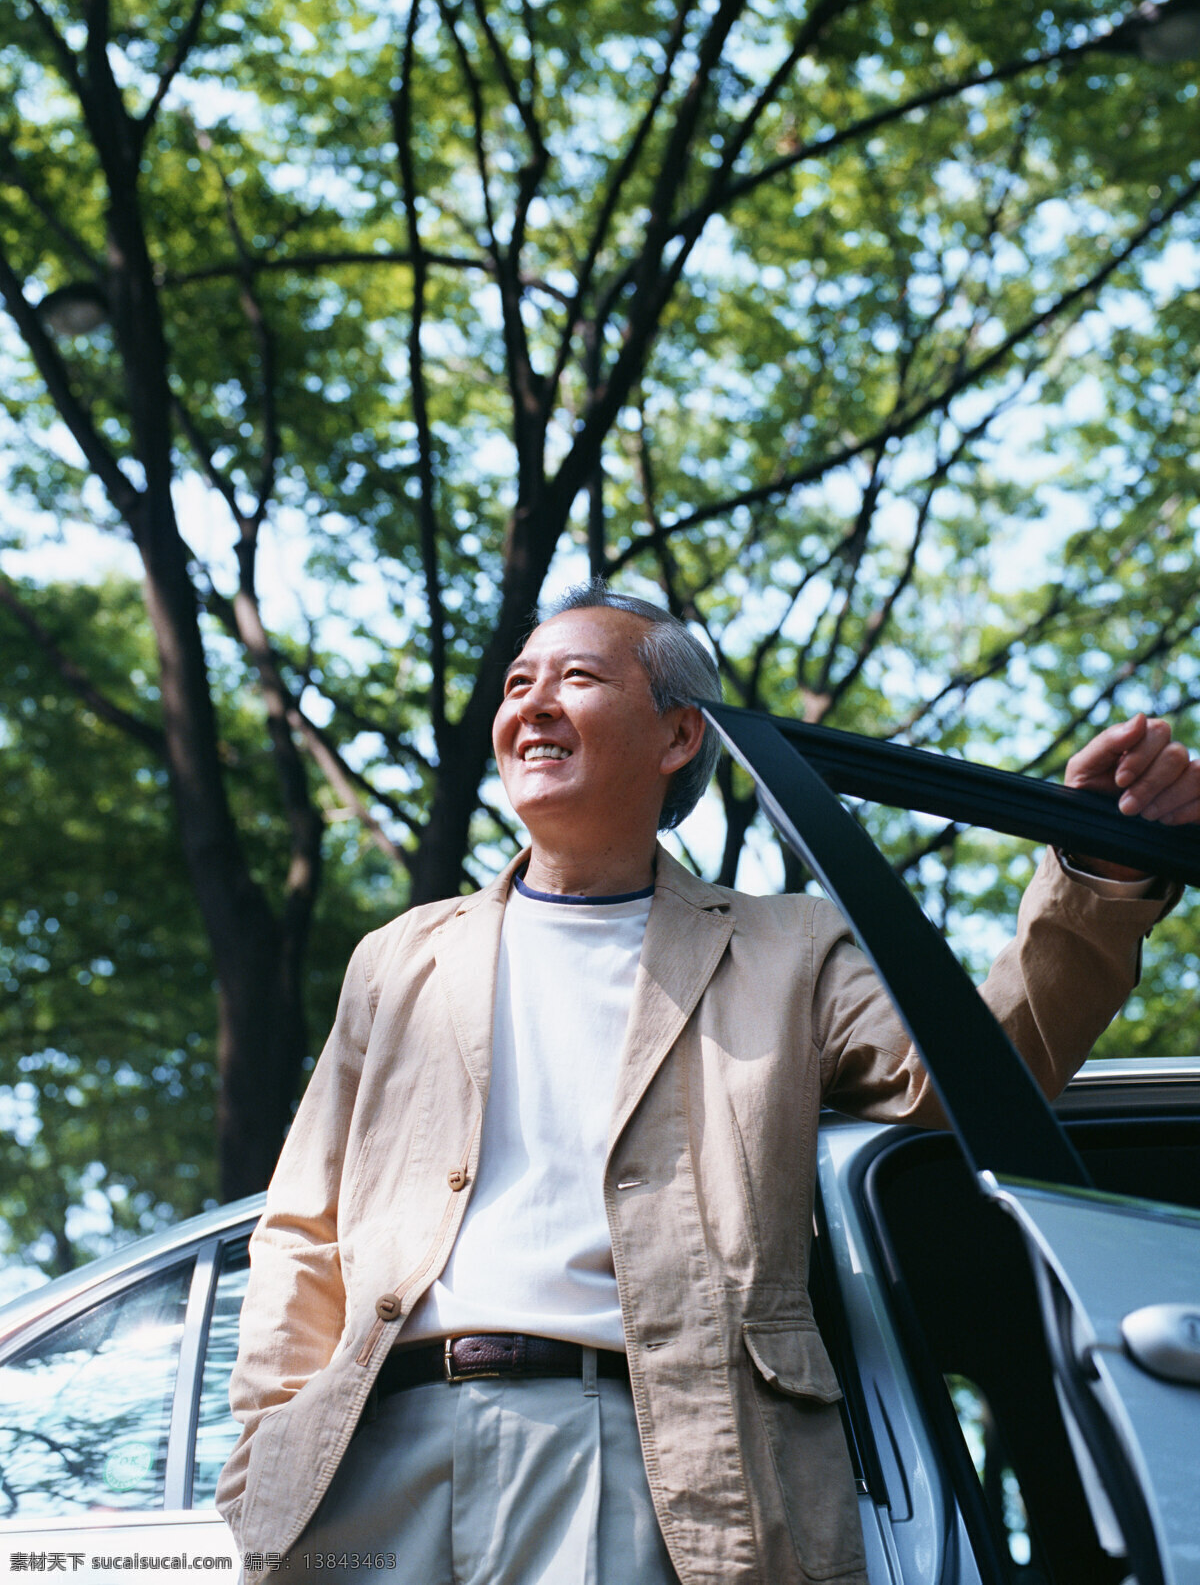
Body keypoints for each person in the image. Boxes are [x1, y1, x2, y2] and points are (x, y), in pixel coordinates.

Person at [216, 581, 1199, 1585]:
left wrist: (1095, 873)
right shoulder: (400, 958)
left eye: (577, 677)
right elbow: (303, 1226)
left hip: (617, 1445)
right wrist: (265, 1449)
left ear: (679, 736)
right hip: (365, 1458)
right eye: (519, 682)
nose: (532, 703)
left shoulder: (789, 949)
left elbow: (973, 1073)